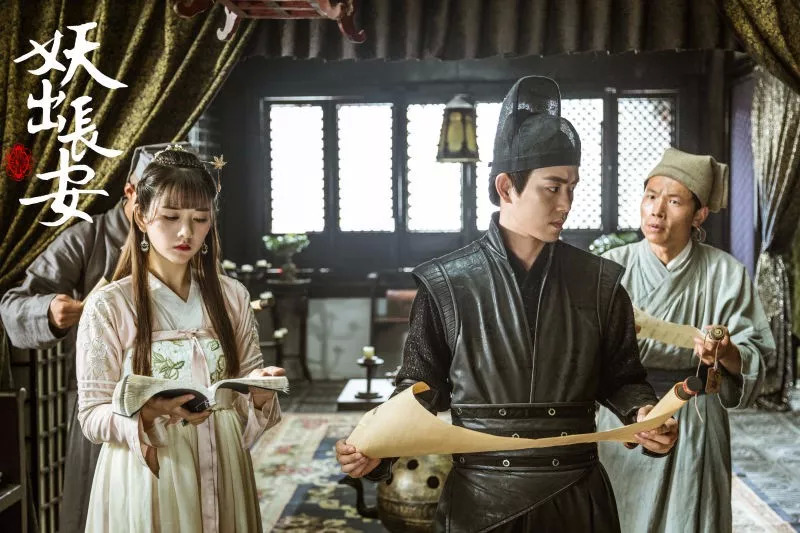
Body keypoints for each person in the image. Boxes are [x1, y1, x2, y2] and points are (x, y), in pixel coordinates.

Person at [335, 76, 679, 532]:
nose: (566, 203)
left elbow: (623, 378)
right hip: (479, 499)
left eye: (572, 187)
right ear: (505, 187)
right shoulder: (446, 284)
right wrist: (374, 452)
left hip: (577, 495)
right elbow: (419, 389)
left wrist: (643, 415)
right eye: (552, 187)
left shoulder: (600, 282)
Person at [76, 146, 283, 532]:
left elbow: (243, 399)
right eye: (170, 217)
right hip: (150, 473)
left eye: (199, 219)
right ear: (141, 216)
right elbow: (91, 415)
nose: (186, 232)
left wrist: (259, 390)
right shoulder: (109, 305)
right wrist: (146, 413)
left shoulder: (232, 296)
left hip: (223, 465)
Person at [0, 141, 188, 533]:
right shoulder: (89, 238)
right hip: (106, 405)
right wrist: (49, 311)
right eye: (161, 205)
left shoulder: (187, 240)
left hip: (180, 403)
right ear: (131, 191)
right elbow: (14, 303)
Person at [596, 147, 773, 533]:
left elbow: (756, 354)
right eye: (650, 196)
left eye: (674, 201)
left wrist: (726, 351)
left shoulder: (726, 273)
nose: (656, 210)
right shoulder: (611, 269)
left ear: (699, 215)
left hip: (695, 416)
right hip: (627, 418)